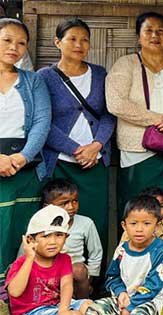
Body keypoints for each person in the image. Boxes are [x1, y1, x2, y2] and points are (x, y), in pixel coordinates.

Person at [106, 12, 163, 222]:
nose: (155, 35)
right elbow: (116, 103)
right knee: (137, 211)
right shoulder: (126, 64)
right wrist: (160, 120)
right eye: (148, 30)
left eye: (160, 31)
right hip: (137, 151)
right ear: (138, 36)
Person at [38, 18, 115, 253]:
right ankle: (56, 272)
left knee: (95, 221)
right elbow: (42, 122)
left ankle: (94, 272)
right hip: (60, 164)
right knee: (56, 224)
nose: (79, 45)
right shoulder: (44, 77)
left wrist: (96, 145)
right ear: (57, 42)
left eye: (84, 40)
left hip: (95, 163)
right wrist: (75, 150)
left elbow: (109, 114)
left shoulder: (100, 74)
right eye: (72, 39)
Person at [0, 18, 51, 268]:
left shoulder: (33, 81)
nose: (14, 47)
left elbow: (42, 121)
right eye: (7, 40)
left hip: (25, 168)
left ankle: (17, 285)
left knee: (21, 228)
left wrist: (23, 157)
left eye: (21, 43)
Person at [88, 196, 163, 315]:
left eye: (147, 223)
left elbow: (153, 286)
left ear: (156, 226)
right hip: (123, 298)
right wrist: (121, 293)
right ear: (124, 226)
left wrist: (130, 306)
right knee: (93, 309)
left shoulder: (160, 251)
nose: (139, 229)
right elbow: (112, 277)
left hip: (149, 301)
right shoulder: (122, 250)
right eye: (133, 223)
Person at [6, 205, 92, 315]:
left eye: (59, 235)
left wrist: (63, 309)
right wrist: (29, 258)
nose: (53, 242)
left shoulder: (64, 259)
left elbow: (66, 285)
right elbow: (14, 292)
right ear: (31, 239)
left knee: (89, 305)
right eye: (46, 236)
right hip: (31, 310)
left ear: (66, 237)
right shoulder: (22, 263)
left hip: (56, 305)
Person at [32, 179, 102, 299]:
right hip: (48, 272)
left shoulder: (86, 223)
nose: (71, 207)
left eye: (75, 201)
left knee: (78, 270)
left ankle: (82, 302)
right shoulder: (39, 225)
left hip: (74, 272)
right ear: (47, 207)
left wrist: (88, 280)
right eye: (64, 203)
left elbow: (96, 253)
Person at [120, 187, 163, 256]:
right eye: (152, 207)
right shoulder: (131, 230)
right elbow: (122, 253)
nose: (158, 210)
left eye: (161, 206)